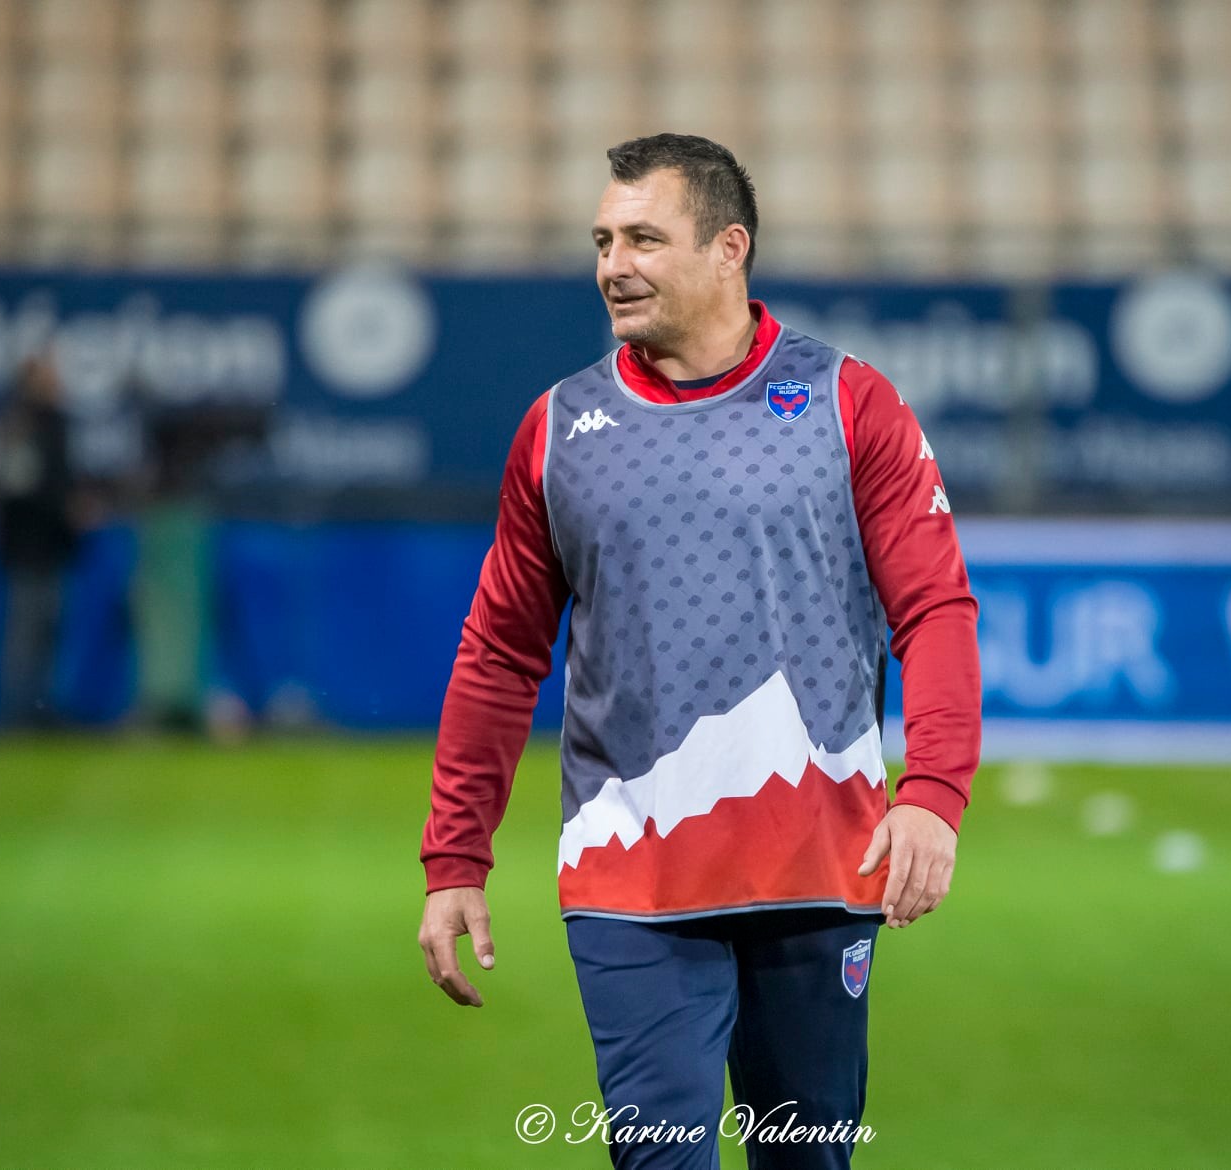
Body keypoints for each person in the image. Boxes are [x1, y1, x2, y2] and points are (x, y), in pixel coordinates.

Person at [419, 134, 981, 1169]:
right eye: (600, 240)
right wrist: (455, 856)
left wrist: (932, 792)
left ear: (729, 249)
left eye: (642, 237)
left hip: (819, 864)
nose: (611, 264)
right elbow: (499, 652)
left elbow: (936, 608)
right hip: (627, 876)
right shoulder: (557, 428)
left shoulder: (848, 402)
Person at [0, 354, 82, 728]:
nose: (58, 382)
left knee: (47, 632)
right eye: (50, 376)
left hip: (50, 545)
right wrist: (65, 507)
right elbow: (13, 488)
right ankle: (18, 714)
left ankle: (41, 712)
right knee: (26, 634)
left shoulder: (51, 424)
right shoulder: (20, 425)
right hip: (27, 546)